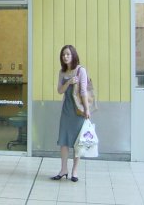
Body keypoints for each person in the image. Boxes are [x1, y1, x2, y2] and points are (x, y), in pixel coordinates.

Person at [52, 44, 91, 183]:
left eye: (68, 54)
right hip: (66, 111)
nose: (65, 57)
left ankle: (75, 170)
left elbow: (83, 91)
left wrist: (87, 110)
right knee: (63, 141)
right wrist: (68, 82)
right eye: (63, 55)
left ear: (73, 55)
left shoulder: (81, 70)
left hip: (78, 111)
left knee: (77, 143)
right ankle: (63, 169)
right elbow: (60, 91)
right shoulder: (62, 73)